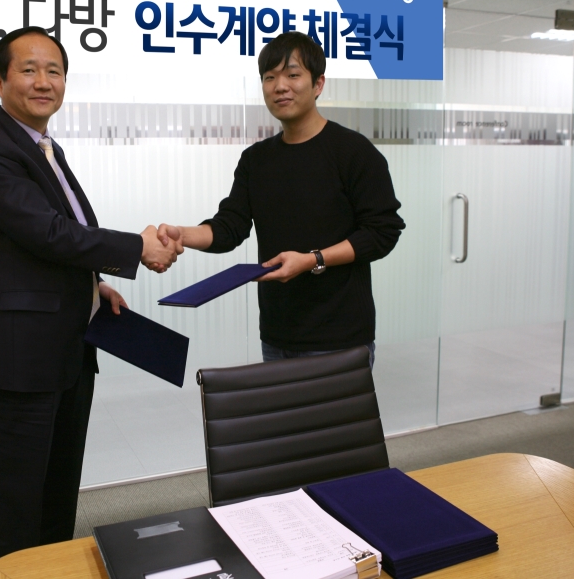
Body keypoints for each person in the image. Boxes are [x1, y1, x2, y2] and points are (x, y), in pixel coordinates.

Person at [0, 26, 181, 565]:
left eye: (54, 71)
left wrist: (92, 285)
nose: (44, 81)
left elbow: (36, 249)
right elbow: (48, 233)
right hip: (18, 360)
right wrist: (137, 247)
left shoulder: (45, 148)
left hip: (67, 352)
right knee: (15, 507)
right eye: (29, 70)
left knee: (56, 499)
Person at [160, 31, 404, 365]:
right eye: (269, 77)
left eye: (292, 75)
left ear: (318, 84)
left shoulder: (353, 151)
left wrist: (313, 259)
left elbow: (382, 232)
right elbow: (231, 226)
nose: (280, 86)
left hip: (339, 335)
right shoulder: (256, 159)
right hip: (277, 333)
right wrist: (182, 235)